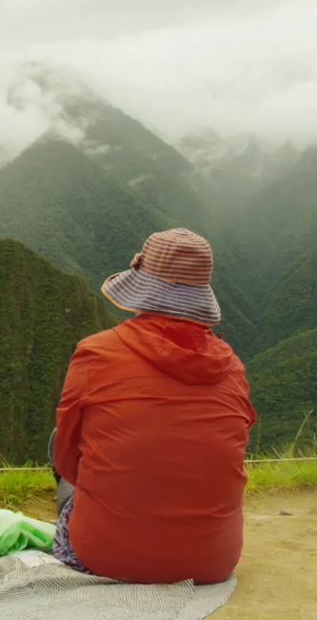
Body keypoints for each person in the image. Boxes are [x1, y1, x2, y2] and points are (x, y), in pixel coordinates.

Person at [51, 228, 256, 584]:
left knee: (59, 442)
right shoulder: (232, 367)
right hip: (213, 562)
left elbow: (68, 461)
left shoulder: (97, 353)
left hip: (109, 557)